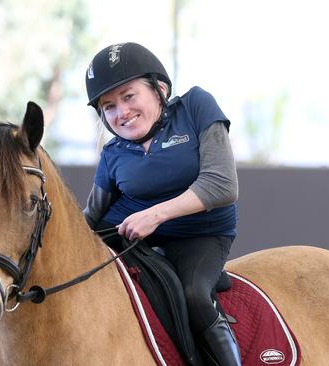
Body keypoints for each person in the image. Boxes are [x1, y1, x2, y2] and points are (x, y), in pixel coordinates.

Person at [83, 42, 240, 366]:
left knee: (195, 294)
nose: (121, 112)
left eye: (128, 96)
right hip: (131, 238)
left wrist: (154, 215)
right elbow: (91, 216)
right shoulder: (112, 153)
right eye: (108, 106)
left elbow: (222, 184)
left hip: (199, 235)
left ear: (159, 89)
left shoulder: (196, 106)